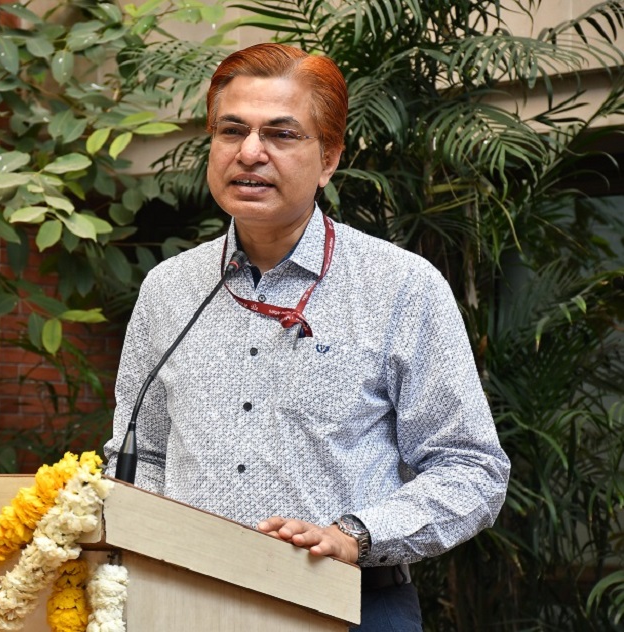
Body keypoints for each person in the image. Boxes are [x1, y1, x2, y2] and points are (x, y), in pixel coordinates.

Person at [103, 42, 510, 631]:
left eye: (281, 134)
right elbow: (139, 456)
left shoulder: (401, 286)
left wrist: (353, 537)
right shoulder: (169, 289)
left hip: (352, 606)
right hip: (183, 605)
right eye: (231, 130)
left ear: (329, 159)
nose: (249, 152)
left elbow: (471, 469)